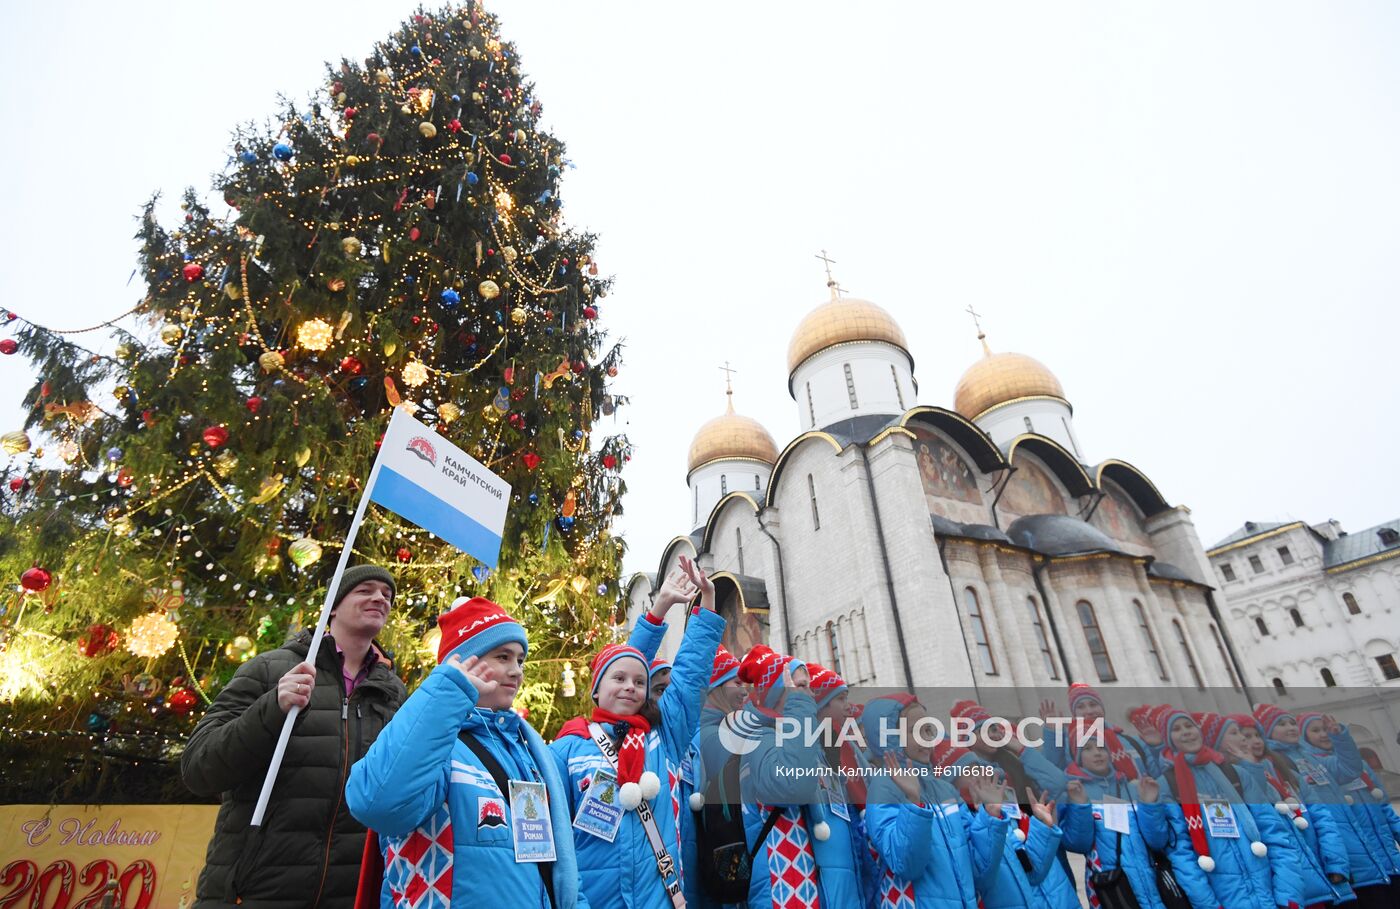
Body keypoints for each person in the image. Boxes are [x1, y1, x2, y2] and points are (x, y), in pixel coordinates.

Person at [182, 564, 407, 909]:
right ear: (333, 606)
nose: (379, 597)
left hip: (350, 895)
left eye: (387, 594)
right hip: (254, 891)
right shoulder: (272, 670)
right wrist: (272, 708)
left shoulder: (394, 695)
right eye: (365, 590)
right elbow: (200, 767)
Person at [345, 595, 587, 909]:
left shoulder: (528, 752)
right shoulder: (433, 747)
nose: (516, 671)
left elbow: (559, 870)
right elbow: (375, 802)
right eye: (503, 657)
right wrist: (450, 689)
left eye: (520, 660)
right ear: (464, 663)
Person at [551, 555, 725, 909]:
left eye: (640, 682)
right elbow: (554, 837)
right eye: (618, 679)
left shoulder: (665, 737)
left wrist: (705, 602)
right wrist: (658, 608)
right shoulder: (568, 748)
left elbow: (690, 675)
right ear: (595, 690)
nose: (630, 686)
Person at [732, 645, 862, 908]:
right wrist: (800, 709)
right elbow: (792, 785)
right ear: (778, 693)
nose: (810, 695)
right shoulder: (758, 737)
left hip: (824, 887)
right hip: (787, 887)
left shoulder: (806, 740)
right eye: (801, 686)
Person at [1150, 705, 1302, 909]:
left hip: (1271, 897)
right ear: (1168, 739)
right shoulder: (1168, 784)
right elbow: (1181, 853)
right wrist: (1209, 905)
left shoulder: (1236, 774)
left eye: (1189, 725)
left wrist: (1288, 896)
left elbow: (1273, 831)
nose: (1186, 731)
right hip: (1225, 899)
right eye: (1176, 729)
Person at [860, 694, 1003, 909]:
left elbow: (979, 871)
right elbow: (905, 863)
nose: (928, 738)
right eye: (918, 731)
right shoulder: (883, 787)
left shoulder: (943, 788)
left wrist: (990, 817)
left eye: (929, 730)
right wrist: (914, 803)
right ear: (890, 737)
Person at [1255, 705, 1397, 909]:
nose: (1290, 727)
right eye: (1281, 724)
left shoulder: (1311, 759)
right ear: (1267, 733)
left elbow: (1350, 769)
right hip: (1337, 858)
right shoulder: (1278, 763)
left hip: (1354, 855)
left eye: (1292, 722)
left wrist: (1340, 738)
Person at [950, 699, 1086, 909]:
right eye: (980, 729)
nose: (990, 733)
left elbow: (1058, 784)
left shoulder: (1016, 762)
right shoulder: (968, 776)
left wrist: (1019, 748)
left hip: (1048, 861)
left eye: (993, 727)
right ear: (965, 738)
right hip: (1013, 872)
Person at [1209, 712, 1354, 908]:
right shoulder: (1234, 783)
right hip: (1293, 889)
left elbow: (1321, 817)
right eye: (1243, 735)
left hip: (1323, 877)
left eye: (1256, 735)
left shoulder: (1286, 773)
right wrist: (1247, 764)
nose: (1251, 740)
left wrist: (1335, 862)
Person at [1062, 733, 1171, 909]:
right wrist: (1080, 806)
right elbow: (1078, 844)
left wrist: (1149, 804)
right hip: (1112, 889)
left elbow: (1157, 841)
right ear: (1077, 758)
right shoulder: (1075, 792)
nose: (1097, 753)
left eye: (1101, 747)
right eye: (1087, 749)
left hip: (1153, 887)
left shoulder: (1133, 788)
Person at [678, 646, 747, 909]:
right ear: (715, 686)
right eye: (737, 682)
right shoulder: (717, 735)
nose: (744, 690)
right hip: (722, 863)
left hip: (713, 866)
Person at [1042, 684, 1159, 779]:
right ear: (1074, 714)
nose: (1089, 711)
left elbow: (1160, 776)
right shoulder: (1069, 748)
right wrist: (1053, 733)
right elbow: (1055, 774)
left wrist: (1157, 746)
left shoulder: (1133, 741)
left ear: (1102, 708)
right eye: (1081, 707)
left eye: (1093, 704)